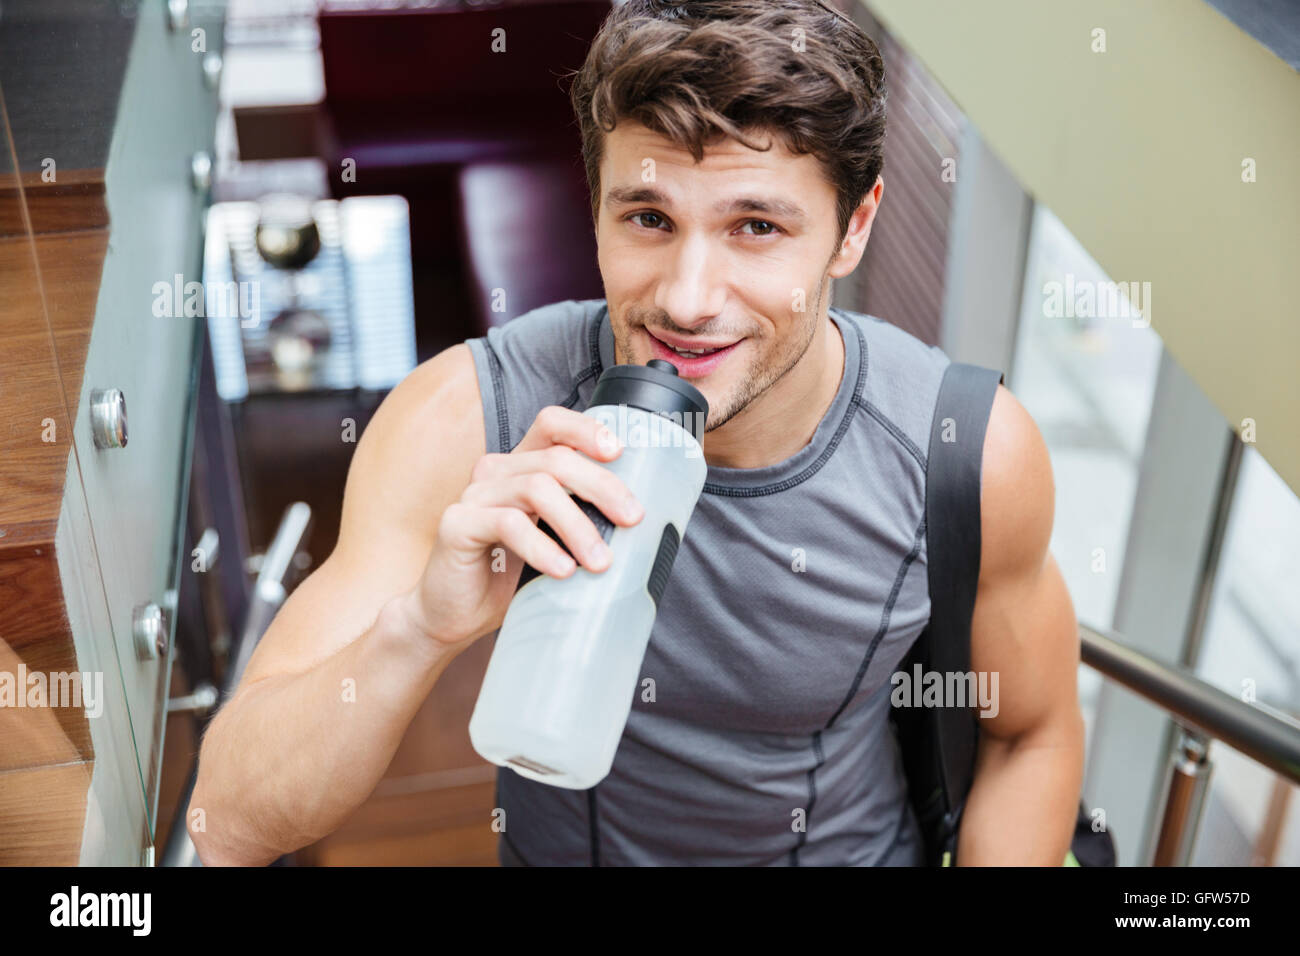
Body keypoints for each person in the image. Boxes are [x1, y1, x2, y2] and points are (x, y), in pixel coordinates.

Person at [191, 0, 1083, 866]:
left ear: (852, 228)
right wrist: (421, 627)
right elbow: (226, 823)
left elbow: (1029, 734)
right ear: (597, 205)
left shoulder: (965, 453)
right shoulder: (468, 416)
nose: (689, 301)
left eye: (757, 227)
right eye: (649, 218)